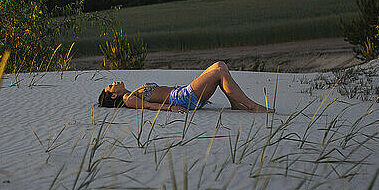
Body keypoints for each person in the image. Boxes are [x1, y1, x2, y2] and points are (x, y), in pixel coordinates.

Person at [98, 61, 273, 113]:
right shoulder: (128, 99)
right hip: (183, 98)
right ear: (114, 96)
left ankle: (235, 103)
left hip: (184, 93)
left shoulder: (132, 92)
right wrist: (171, 107)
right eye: (110, 87)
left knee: (221, 65)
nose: (113, 83)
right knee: (219, 70)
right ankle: (252, 106)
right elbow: (149, 106)